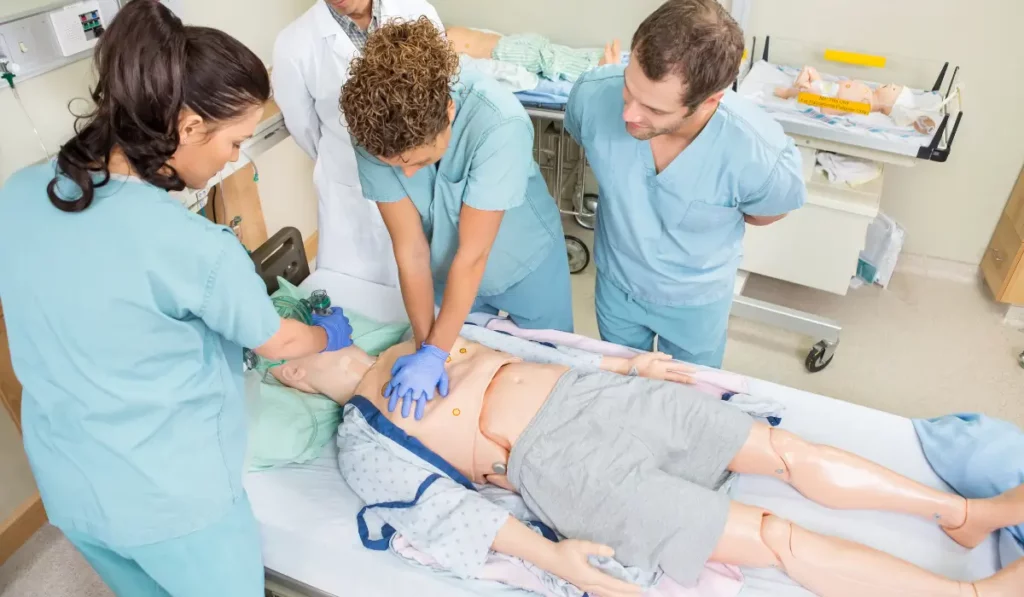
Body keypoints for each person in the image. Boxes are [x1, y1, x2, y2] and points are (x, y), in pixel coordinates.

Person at [260, 320, 1024, 597]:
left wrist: (629, 368)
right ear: (289, 375)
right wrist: (557, 561)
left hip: (601, 398)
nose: (291, 324)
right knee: (773, 537)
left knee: (785, 451)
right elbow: (441, 511)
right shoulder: (360, 436)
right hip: (562, 464)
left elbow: (515, 349)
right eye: (278, 335)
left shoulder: (418, 334)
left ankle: (964, 513)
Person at [0, 2, 354, 596]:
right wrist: (327, 337)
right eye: (236, 141)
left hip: (71, 483)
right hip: (171, 504)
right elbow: (279, 340)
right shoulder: (195, 248)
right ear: (189, 129)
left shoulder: (18, 193)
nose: (237, 157)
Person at [340, 18, 574, 419]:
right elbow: (411, 250)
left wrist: (435, 351)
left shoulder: (499, 123)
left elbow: (473, 255)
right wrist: (425, 346)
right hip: (446, 266)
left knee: (550, 368)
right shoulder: (373, 131)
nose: (408, 176)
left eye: (419, 161)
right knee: (462, 357)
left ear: (448, 112)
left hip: (522, 260)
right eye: (395, 166)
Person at [564, 0, 806, 368]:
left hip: (695, 301)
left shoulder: (758, 153)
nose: (629, 114)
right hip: (616, 283)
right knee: (622, 385)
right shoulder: (592, 97)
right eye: (629, 89)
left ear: (709, 102)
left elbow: (766, 214)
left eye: (656, 111)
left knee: (692, 396)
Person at [272, 0, 441, 287]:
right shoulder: (293, 44)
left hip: (420, 178)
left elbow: (439, 95)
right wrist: (347, 155)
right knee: (360, 299)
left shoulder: (416, 12)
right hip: (351, 190)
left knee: (429, 283)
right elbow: (304, 128)